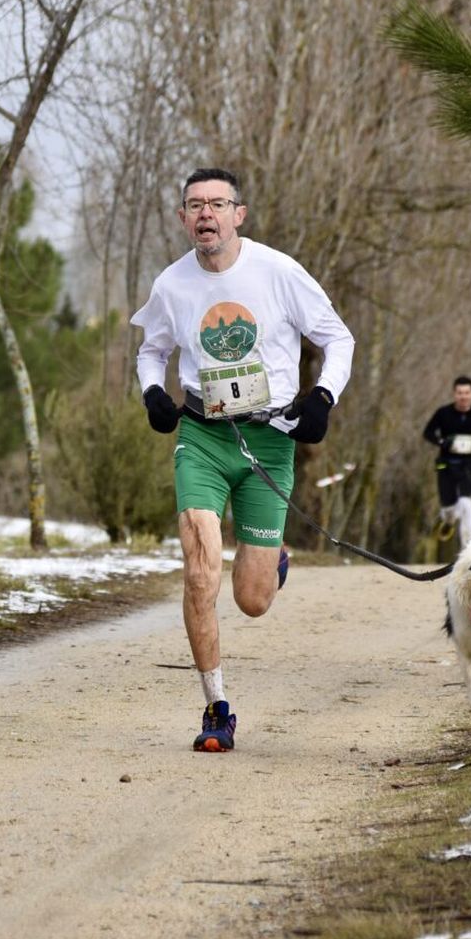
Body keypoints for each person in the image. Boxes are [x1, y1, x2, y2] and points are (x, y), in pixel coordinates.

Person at [130, 167, 355, 753]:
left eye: (216, 203)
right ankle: (216, 706)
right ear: (183, 219)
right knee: (199, 563)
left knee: (252, 601)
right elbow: (151, 350)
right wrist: (153, 392)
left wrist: (323, 398)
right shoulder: (172, 284)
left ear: (239, 214)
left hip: (270, 438)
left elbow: (339, 339)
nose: (205, 213)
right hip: (203, 436)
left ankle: (271, 555)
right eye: (194, 205)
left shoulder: (278, 272)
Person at [422, 375, 471, 548]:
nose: (463, 396)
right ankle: (447, 520)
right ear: (454, 394)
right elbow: (428, 433)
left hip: (469, 466)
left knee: (468, 504)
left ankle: (467, 552)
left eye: (467, 392)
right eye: (460, 393)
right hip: (446, 465)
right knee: (449, 509)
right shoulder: (443, 413)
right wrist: (441, 442)